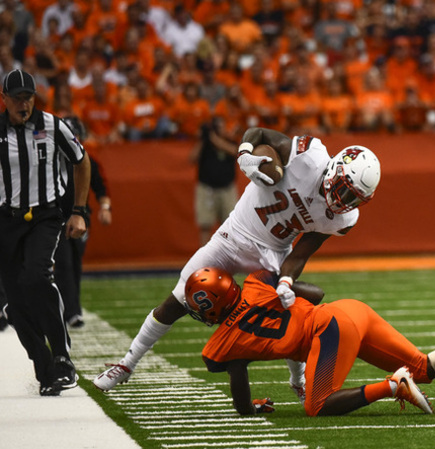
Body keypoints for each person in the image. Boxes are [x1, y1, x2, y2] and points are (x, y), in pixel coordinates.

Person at [93, 128, 382, 402]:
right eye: (344, 191)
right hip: (234, 236)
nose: (344, 202)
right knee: (180, 298)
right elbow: (259, 133)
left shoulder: (344, 219)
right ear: (335, 170)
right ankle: (127, 365)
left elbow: (302, 253)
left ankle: (299, 380)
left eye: (354, 199)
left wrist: (285, 282)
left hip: (274, 252)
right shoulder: (309, 156)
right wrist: (245, 153)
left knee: (292, 312)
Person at [184, 267, 435, 416]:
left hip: (329, 329)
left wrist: (251, 409)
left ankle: (392, 386)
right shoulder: (257, 282)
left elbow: (238, 383)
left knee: (317, 405)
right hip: (349, 310)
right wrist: (285, 286)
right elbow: (318, 293)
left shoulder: (220, 347)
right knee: (422, 369)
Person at [0, 69, 91, 396]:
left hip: (45, 214)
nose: (23, 104)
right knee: (13, 304)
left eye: (28, 97)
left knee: (36, 278)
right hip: (6, 219)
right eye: (17, 98)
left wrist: (78, 211)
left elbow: (82, 160)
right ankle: (46, 370)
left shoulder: (53, 125)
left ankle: (63, 357)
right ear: (5, 99)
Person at [54, 116, 113, 329]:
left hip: (80, 217)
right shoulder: (50, 159)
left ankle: (71, 309)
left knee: (75, 263)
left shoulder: (89, 160)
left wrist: (105, 208)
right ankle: (70, 312)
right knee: (63, 264)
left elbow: (101, 188)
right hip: (55, 217)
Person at [191, 115, 238, 247]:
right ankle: (205, 261)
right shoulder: (205, 144)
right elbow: (192, 158)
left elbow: (235, 151)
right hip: (207, 188)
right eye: (216, 127)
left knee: (231, 226)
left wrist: (214, 138)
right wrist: (203, 139)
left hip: (227, 189)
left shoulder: (232, 141)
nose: (219, 129)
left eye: (221, 126)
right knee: (205, 224)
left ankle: (230, 259)